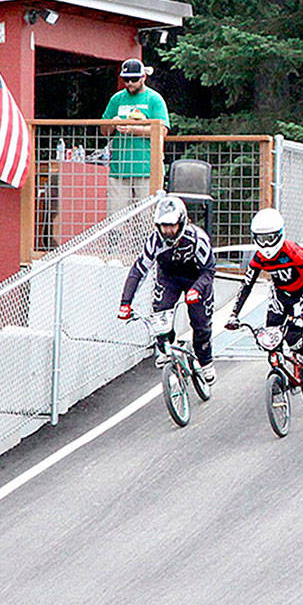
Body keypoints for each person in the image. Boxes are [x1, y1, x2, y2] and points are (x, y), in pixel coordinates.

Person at [118, 194, 216, 383]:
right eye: (164, 226)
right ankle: (166, 347)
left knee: (201, 323)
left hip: (197, 278)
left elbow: (209, 271)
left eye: (172, 226)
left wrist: (196, 289)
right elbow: (138, 270)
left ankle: (206, 363)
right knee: (160, 313)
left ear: (181, 223)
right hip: (169, 278)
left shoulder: (197, 238)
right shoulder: (154, 241)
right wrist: (125, 303)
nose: (168, 231)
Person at [224, 208, 303, 381]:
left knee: (293, 339)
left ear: (279, 234)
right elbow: (247, 285)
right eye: (262, 239)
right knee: (270, 339)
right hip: (280, 296)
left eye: (271, 238)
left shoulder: (293, 252)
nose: (267, 244)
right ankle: (279, 378)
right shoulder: (259, 258)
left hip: (299, 296)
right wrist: (234, 315)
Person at [103, 58, 170, 216]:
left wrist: (133, 128)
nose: (130, 83)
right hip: (119, 169)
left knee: (147, 217)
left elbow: (162, 130)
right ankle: (117, 240)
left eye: (134, 79)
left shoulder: (154, 99)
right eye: (126, 79)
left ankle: (147, 241)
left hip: (147, 169)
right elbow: (104, 130)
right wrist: (112, 123)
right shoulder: (116, 99)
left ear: (143, 78)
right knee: (115, 217)